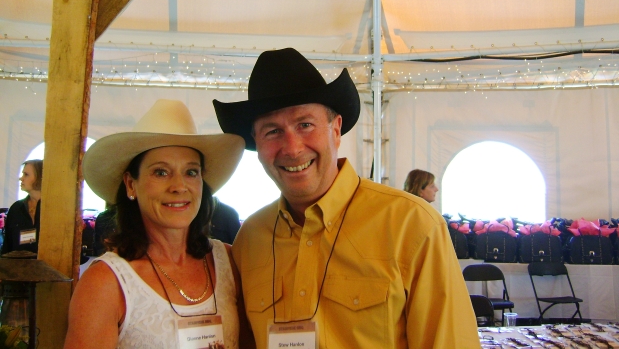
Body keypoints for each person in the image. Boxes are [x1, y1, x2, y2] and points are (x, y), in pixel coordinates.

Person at [213, 48, 480, 349]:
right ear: (257, 145)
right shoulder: (250, 240)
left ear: (336, 129)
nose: (292, 148)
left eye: (305, 125)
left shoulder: (412, 225)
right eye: (272, 131)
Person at [64, 100, 255, 349]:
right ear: (131, 184)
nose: (179, 186)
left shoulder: (228, 261)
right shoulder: (105, 283)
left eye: (191, 172)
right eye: (161, 172)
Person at [1, 159, 43, 255]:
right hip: (18, 263)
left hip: (47, 263)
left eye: (26, 174)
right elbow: (7, 245)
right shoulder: (16, 208)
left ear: (40, 177)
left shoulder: (53, 209)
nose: (21, 178)